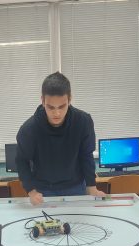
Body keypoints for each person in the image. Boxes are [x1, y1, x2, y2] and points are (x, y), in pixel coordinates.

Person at [16, 71, 105, 206]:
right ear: (42, 101)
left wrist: (91, 187)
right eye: (50, 107)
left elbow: (86, 155)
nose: (56, 113)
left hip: (75, 186)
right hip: (43, 189)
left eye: (62, 106)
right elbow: (22, 161)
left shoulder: (83, 122)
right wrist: (31, 191)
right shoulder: (29, 129)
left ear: (70, 99)